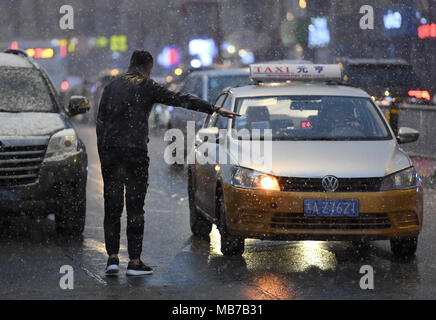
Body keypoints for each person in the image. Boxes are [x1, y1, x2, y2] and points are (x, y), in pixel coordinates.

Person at [96, 50, 239, 276]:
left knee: (112, 206)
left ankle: (112, 259)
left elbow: (100, 124)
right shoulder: (147, 86)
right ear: (148, 68)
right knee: (135, 206)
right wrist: (213, 108)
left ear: (130, 64)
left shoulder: (111, 88)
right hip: (135, 152)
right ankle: (134, 261)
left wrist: (105, 153)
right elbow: (180, 99)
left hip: (111, 153)